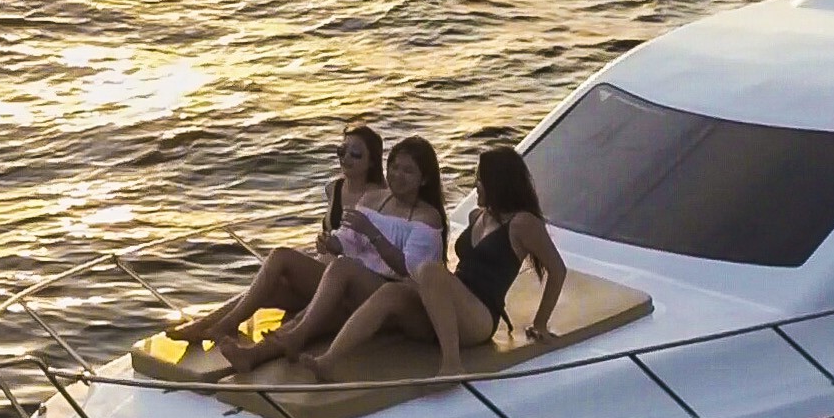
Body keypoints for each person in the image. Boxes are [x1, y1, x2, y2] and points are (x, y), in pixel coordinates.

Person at [307, 144, 567, 381]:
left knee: (430, 271)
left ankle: (452, 365)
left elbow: (557, 270)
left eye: (480, 180)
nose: (476, 185)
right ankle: (327, 361)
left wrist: (540, 323)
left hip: (479, 317)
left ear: (498, 182)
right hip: (449, 306)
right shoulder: (477, 215)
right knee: (392, 291)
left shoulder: (523, 223)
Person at [219, 135, 447, 372]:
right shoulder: (374, 199)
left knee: (340, 270)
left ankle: (295, 337)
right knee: (288, 268)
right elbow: (350, 242)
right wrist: (333, 243)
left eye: (408, 171)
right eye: (394, 167)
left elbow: (410, 270)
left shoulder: (427, 217)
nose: (398, 175)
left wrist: (372, 233)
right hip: (357, 283)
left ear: (424, 179)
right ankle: (250, 352)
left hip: (400, 298)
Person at [167, 125, 384, 345]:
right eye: (342, 151)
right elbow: (331, 231)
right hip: (319, 274)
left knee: (281, 255)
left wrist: (340, 248)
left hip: (343, 284)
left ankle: (225, 326)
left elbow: (375, 254)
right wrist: (323, 242)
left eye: (355, 154)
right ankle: (204, 324)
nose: (346, 158)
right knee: (269, 289)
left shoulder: (379, 198)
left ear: (372, 161)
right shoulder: (334, 189)